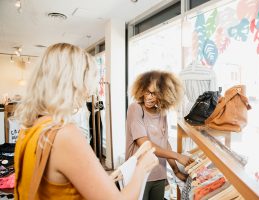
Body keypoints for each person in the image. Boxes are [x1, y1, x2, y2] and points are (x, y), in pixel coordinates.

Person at [14, 43, 158, 200]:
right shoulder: (64, 135)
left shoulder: (29, 128)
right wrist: (141, 168)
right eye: (87, 83)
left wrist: (109, 179)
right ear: (73, 83)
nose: (88, 92)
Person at [125, 70, 194, 200]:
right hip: (138, 174)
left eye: (155, 94)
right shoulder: (135, 109)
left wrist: (176, 171)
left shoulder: (162, 114)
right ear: (142, 89)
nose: (150, 97)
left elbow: (165, 143)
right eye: (148, 92)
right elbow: (145, 144)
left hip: (159, 175)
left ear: (163, 96)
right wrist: (178, 156)